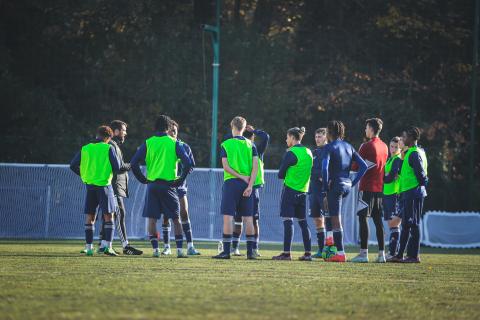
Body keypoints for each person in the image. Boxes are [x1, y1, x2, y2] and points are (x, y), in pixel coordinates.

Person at [130, 115, 192, 258]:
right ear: (168, 127)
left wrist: (143, 179)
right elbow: (188, 163)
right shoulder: (174, 143)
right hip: (169, 185)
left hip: (152, 185)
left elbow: (133, 163)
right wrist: (180, 179)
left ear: (154, 127)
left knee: (152, 219)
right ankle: (179, 251)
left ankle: (156, 250)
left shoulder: (148, 142)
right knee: (176, 218)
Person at [322, 121, 368, 262]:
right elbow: (364, 166)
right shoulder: (349, 146)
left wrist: (325, 186)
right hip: (345, 185)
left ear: (329, 132)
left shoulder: (329, 147)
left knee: (335, 219)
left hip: (335, 185)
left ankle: (340, 253)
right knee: (328, 212)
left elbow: (324, 168)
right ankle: (330, 247)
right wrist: (352, 183)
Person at [70, 125, 120, 256]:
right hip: (104, 185)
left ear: (97, 135)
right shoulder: (108, 147)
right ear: (108, 137)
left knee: (90, 216)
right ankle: (108, 247)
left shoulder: (86, 148)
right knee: (109, 216)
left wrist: (84, 175)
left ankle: (89, 248)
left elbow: (72, 165)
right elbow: (118, 166)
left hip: (90, 185)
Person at [213, 116, 258, 260]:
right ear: (244, 128)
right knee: (248, 219)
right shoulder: (251, 145)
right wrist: (250, 185)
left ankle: (226, 252)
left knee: (228, 218)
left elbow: (226, 167)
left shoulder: (226, 144)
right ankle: (250, 252)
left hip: (231, 183)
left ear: (232, 126)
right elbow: (255, 168)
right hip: (247, 185)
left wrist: (240, 177)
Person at [97, 120, 143, 255]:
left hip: (113, 186)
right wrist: (132, 164)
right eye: (123, 130)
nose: (125, 133)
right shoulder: (111, 145)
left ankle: (102, 245)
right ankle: (125, 246)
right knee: (119, 214)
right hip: (113, 186)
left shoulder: (113, 145)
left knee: (110, 215)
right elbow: (119, 167)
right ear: (116, 131)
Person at [160, 120, 201, 256]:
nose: (172, 133)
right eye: (170, 130)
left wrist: (181, 177)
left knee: (184, 213)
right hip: (166, 185)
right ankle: (167, 247)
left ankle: (190, 246)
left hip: (180, 185)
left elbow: (191, 165)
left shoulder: (183, 146)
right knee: (166, 216)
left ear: (177, 133)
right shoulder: (164, 146)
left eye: (174, 131)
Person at [272, 127, 313, 261]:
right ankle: (308, 253)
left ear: (293, 138)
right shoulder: (309, 152)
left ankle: (286, 253)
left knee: (288, 221)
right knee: (303, 222)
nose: (286, 139)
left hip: (290, 190)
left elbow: (280, 174)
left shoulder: (291, 153)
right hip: (303, 191)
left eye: (287, 137)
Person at [351, 118, 389, 263]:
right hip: (379, 189)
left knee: (363, 218)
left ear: (371, 129)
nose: (365, 130)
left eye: (366, 128)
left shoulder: (365, 146)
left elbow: (355, 167)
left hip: (366, 188)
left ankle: (363, 254)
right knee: (378, 221)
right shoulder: (385, 147)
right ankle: (381, 255)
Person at [230, 125, 270, 257]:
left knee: (249, 219)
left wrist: (253, 131)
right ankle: (239, 248)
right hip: (241, 186)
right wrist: (255, 131)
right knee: (242, 220)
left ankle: (252, 248)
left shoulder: (256, 149)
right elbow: (265, 136)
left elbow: (266, 137)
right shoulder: (240, 147)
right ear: (252, 137)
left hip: (251, 188)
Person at [390, 126, 428, 263]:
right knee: (406, 224)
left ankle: (414, 256)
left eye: (404, 137)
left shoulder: (413, 153)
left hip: (414, 192)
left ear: (412, 138)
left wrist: (420, 187)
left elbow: (421, 176)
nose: (402, 139)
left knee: (413, 224)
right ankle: (400, 255)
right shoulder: (413, 152)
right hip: (409, 193)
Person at [309, 128, 332, 258]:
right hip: (313, 191)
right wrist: (317, 174)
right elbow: (311, 171)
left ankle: (331, 248)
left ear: (326, 137)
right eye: (316, 136)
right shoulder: (314, 152)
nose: (317, 139)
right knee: (318, 220)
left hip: (325, 192)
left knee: (329, 220)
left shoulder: (329, 151)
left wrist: (321, 176)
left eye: (320, 136)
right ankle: (321, 249)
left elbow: (327, 170)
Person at [383, 136, 402, 260]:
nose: (393, 149)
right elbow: (387, 176)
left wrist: (384, 177)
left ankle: (393, 252)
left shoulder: (397, 160)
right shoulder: (390, 160)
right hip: (387, 194)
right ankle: (393, 251)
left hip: (394, 194)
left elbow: (390, 178)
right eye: (391, 146)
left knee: (394, 223)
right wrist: (385, 175)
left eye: (396, 147)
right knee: (391, 224)